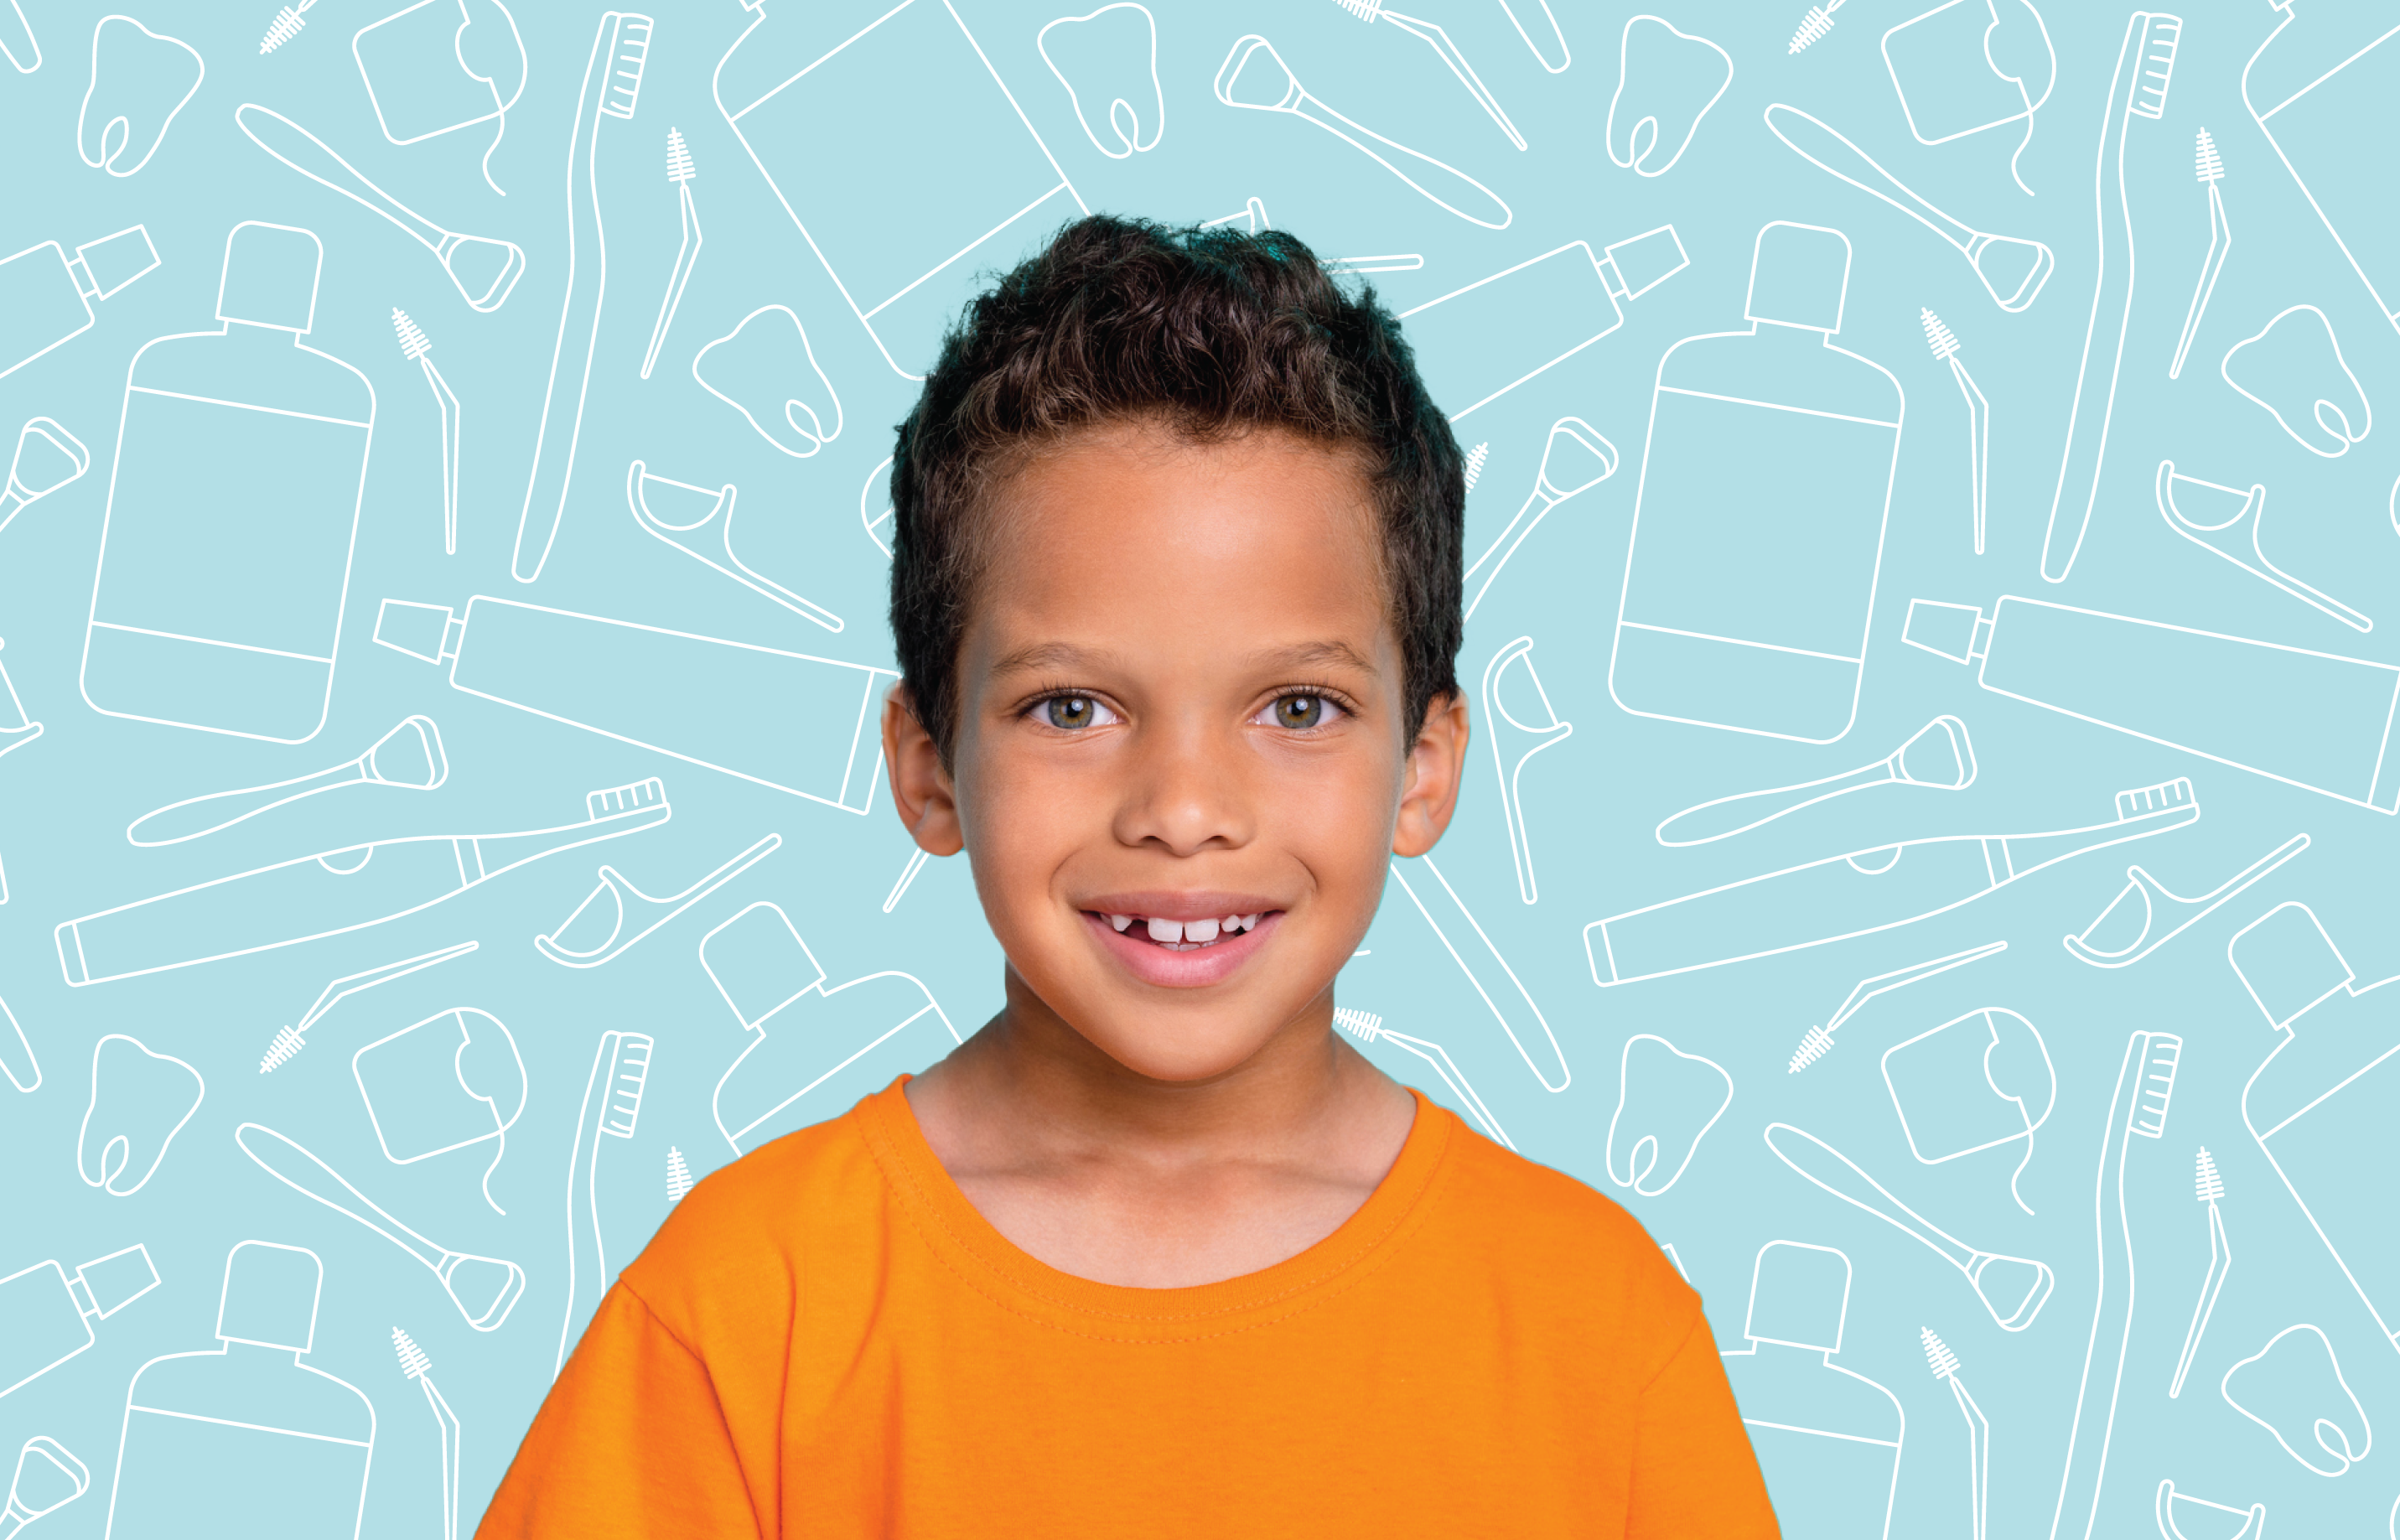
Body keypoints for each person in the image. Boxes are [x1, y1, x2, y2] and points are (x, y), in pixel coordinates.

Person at [476, 215, 1779, 1536]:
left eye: (1298, 708)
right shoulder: (746, 1305)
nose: (1183, 812)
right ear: (927, 769)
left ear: (1424, 769)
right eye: (1072, 709)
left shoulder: (1597, 1326)